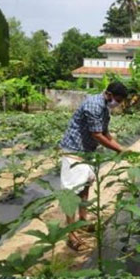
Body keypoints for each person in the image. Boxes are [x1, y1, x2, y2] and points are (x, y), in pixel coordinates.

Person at [58, 82, 129, 250]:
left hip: (87, 151)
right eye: (118, 100)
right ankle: (71, 235)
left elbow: (105, 133)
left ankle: (83, 222)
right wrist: (119, 150)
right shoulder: (94, 105)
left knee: (85, 187)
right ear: (109, 94)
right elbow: (97, 134)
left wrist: (121, 148)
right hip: (74, 150)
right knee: (71, 193)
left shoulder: (104, 107)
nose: (118, 104)